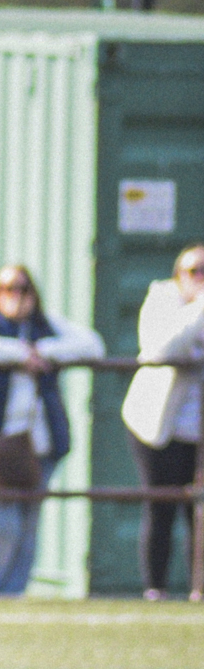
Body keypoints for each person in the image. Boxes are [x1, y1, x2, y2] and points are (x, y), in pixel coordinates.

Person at [0, 265, 99, 600]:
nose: (16, 296)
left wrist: (45, 351)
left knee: (28, 525)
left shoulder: (46, 326)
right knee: (0, 525)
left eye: (23, 289)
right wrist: (21, 355)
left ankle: (15, 593)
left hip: (41, 443)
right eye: (8, 289)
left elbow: (93, 345)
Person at [118, 242, 204, 601]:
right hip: (157, 426)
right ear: (177, 275)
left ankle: (198, 590)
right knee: (161, 505)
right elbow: (160, 348)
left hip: (198, 431)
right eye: (194, 271)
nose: (201, 279)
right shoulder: (161, 299)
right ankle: (156, 589)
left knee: (198, 511)